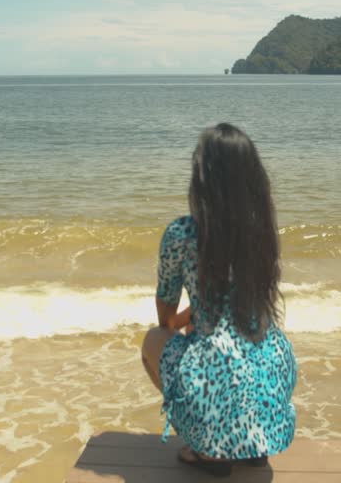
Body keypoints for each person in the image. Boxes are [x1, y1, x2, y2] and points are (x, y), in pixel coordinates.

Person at [140, 123, 297, 477]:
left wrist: (181, 325)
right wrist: (192, 317)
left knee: (151, 340)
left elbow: (164, 317)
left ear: (202, 179)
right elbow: (231, 300)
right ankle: (253, 447)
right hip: (273, 368)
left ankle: (206, 446)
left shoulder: (182, 232)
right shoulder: (261, 231)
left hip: (218, 373)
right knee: (237, 357)